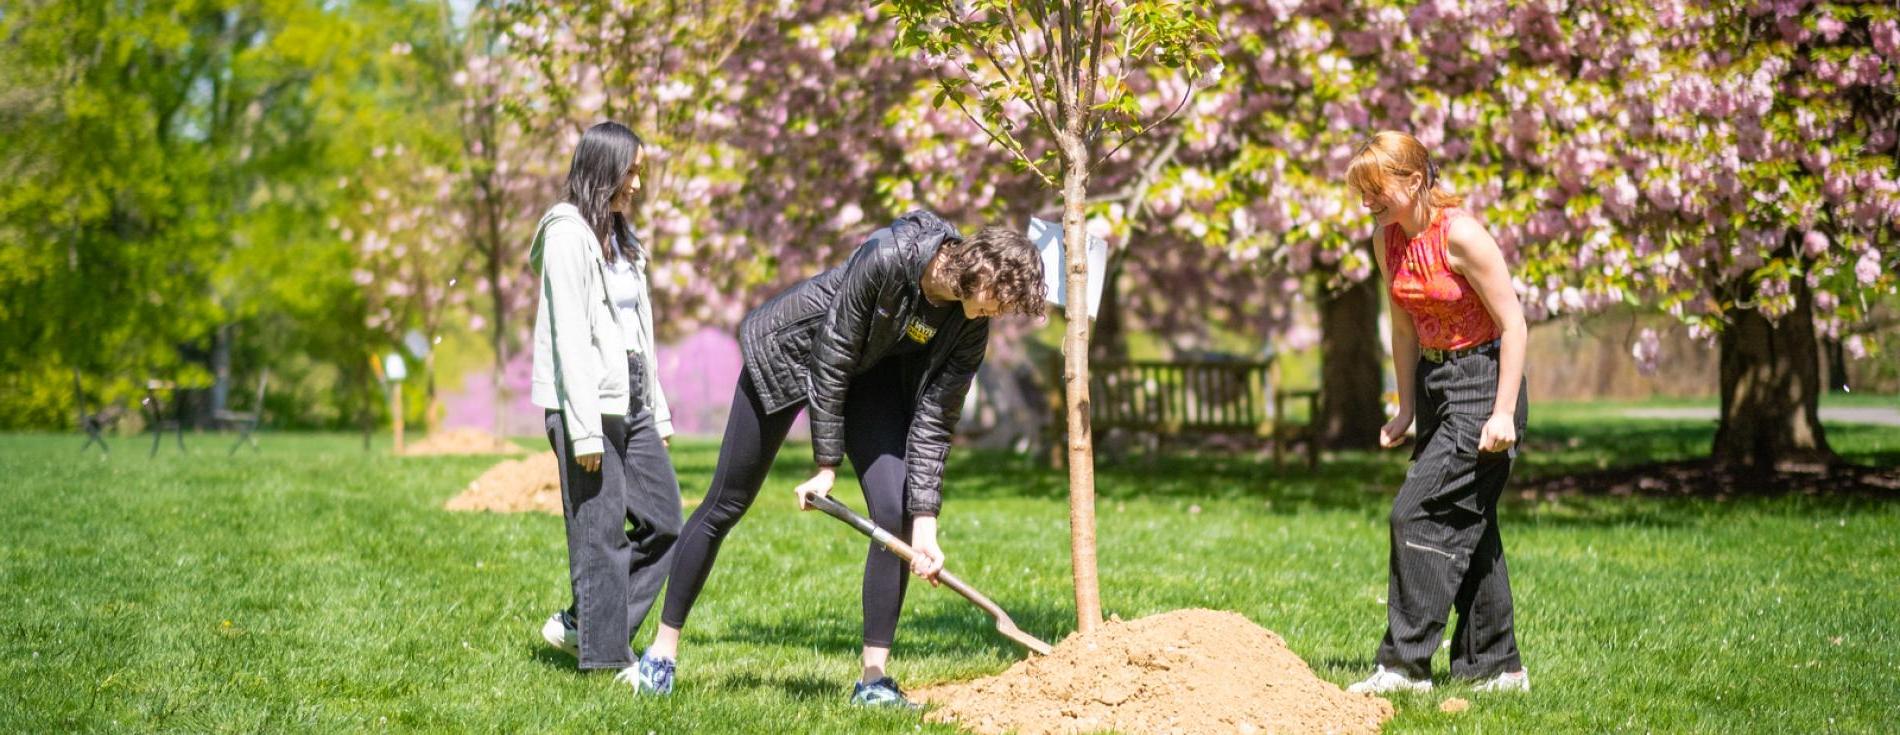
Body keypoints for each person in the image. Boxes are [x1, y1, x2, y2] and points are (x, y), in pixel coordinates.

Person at [631, 211, 1045, 707]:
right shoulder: (889, 256)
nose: (1002, 312)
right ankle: (661, 655)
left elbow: (936, 420)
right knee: (727, 502)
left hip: (866, 375)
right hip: (792, 353)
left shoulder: (970, 323)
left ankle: (872, 680)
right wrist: (827, 466)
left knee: (894, 515)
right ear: (984, 271)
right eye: (1003, 298)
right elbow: (831, 358)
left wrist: (926, 525)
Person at [1343, 131, 1531, 695]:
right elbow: (1402, 324)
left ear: (1415, 180)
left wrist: (1501, 414)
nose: (1368, 203)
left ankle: (1404, 665)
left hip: (1483, 379)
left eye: (1377, 191)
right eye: (1362, 193)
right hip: (1434, 383)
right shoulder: (1387, 239)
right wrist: (1404, 407)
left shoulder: (1463, 235)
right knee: (1470, 521)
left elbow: (1514, 325)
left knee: (1415, 513)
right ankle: (1497, 670)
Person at [528, 121, 683, 692]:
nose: (638, 183)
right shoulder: (567, 235)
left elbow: (640, 333)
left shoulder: (622, 241)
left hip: (633, 395)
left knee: (666, 523)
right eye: (631, 170)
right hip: (586, 403)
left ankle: (583, 623)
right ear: (603, 169)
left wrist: (658, 414)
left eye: (641, 171)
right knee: (600, 535)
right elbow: (570, 335)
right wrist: (584, 431)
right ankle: (606, 659)